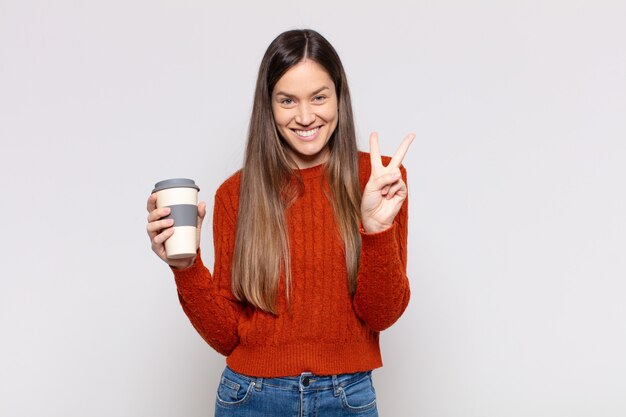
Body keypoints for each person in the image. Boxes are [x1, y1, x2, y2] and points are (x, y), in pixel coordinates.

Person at [146, 28, 414, 417]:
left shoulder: (379, 180)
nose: (305, 117)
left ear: (339, 97)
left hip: (347, 397)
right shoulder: (235, 194)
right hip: (250, 397)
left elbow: (382, 314)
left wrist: (376, 229)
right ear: (269, 105)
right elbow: (227, 336)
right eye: (287, 100)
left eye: (319, 97)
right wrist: (184, 268)